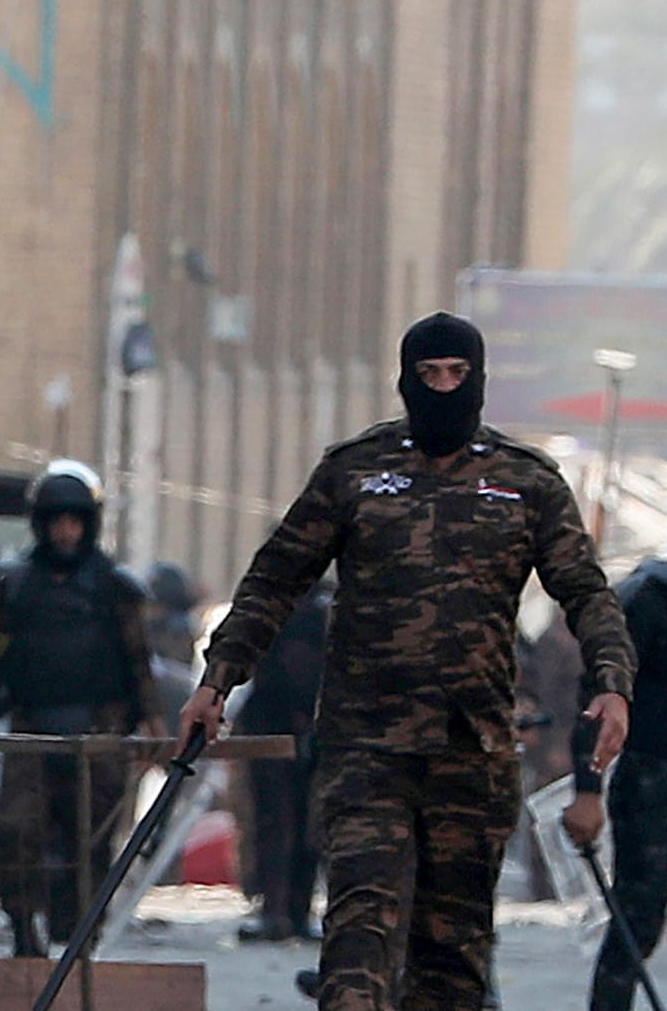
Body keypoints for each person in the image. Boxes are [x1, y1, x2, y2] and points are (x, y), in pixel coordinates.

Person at [177, 311, 635, 1011]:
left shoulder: (524, 482)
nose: (444, 389)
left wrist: (611, 684)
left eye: (457, 375)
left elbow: (586, 592)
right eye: (429, 375)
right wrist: (217, 679)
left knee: (452, 959)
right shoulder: (356, 472)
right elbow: (275, 579)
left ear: (478, 380)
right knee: (360, 929)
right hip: (367, 745)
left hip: (472, 750)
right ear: (406, 379)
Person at [0, 459, 165, 957]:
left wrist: (154, 720)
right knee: (15, 832)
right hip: (32, 729)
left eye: (74, 521)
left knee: (88, 846)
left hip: (99, 731)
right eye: (56, 521)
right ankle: (24, 930)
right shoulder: (16, 587)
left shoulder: (114, 589)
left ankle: (79, 939)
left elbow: (138, 660)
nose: (65, 532)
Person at [564, 470, 667, 1011]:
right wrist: (587, 790)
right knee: (635, 926)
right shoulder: (650, 597)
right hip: (656, 788)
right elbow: (599, 693)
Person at [236, 579, 331, 944]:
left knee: (309, 825)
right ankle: (276, 909)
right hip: (272, 724)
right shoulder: (273, 596)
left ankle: (295, 910)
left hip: (318, 726)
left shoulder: (327, 604)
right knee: (275, 822)